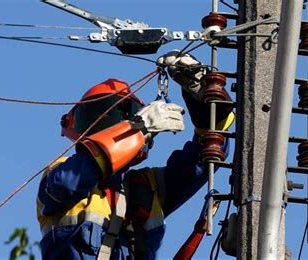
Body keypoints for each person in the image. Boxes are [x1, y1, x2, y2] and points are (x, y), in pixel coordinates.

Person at [36, 51, 234, 259]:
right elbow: (69, 183)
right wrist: (136, 129)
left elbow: (206, 156)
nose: (111, 125)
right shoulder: (60, 173)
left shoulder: (146, 188)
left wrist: (204, 97)